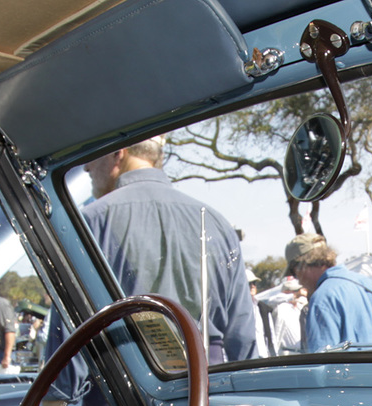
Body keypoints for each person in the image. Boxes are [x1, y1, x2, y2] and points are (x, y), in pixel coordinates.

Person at [81, 135, 254, 364]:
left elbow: (73, 327)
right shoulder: (217, 222)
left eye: (93, 155)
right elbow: (242, 336)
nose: (86, 167)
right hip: (206, 382)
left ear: (118, 153)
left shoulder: (92, 220)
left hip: (121, 384)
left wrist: (57, 395)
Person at [286, 233, 372, 351]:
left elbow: (322, 360)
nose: (299, 281)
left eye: (293, 272)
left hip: (352, 369)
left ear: (302, 265)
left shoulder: (323, 297)